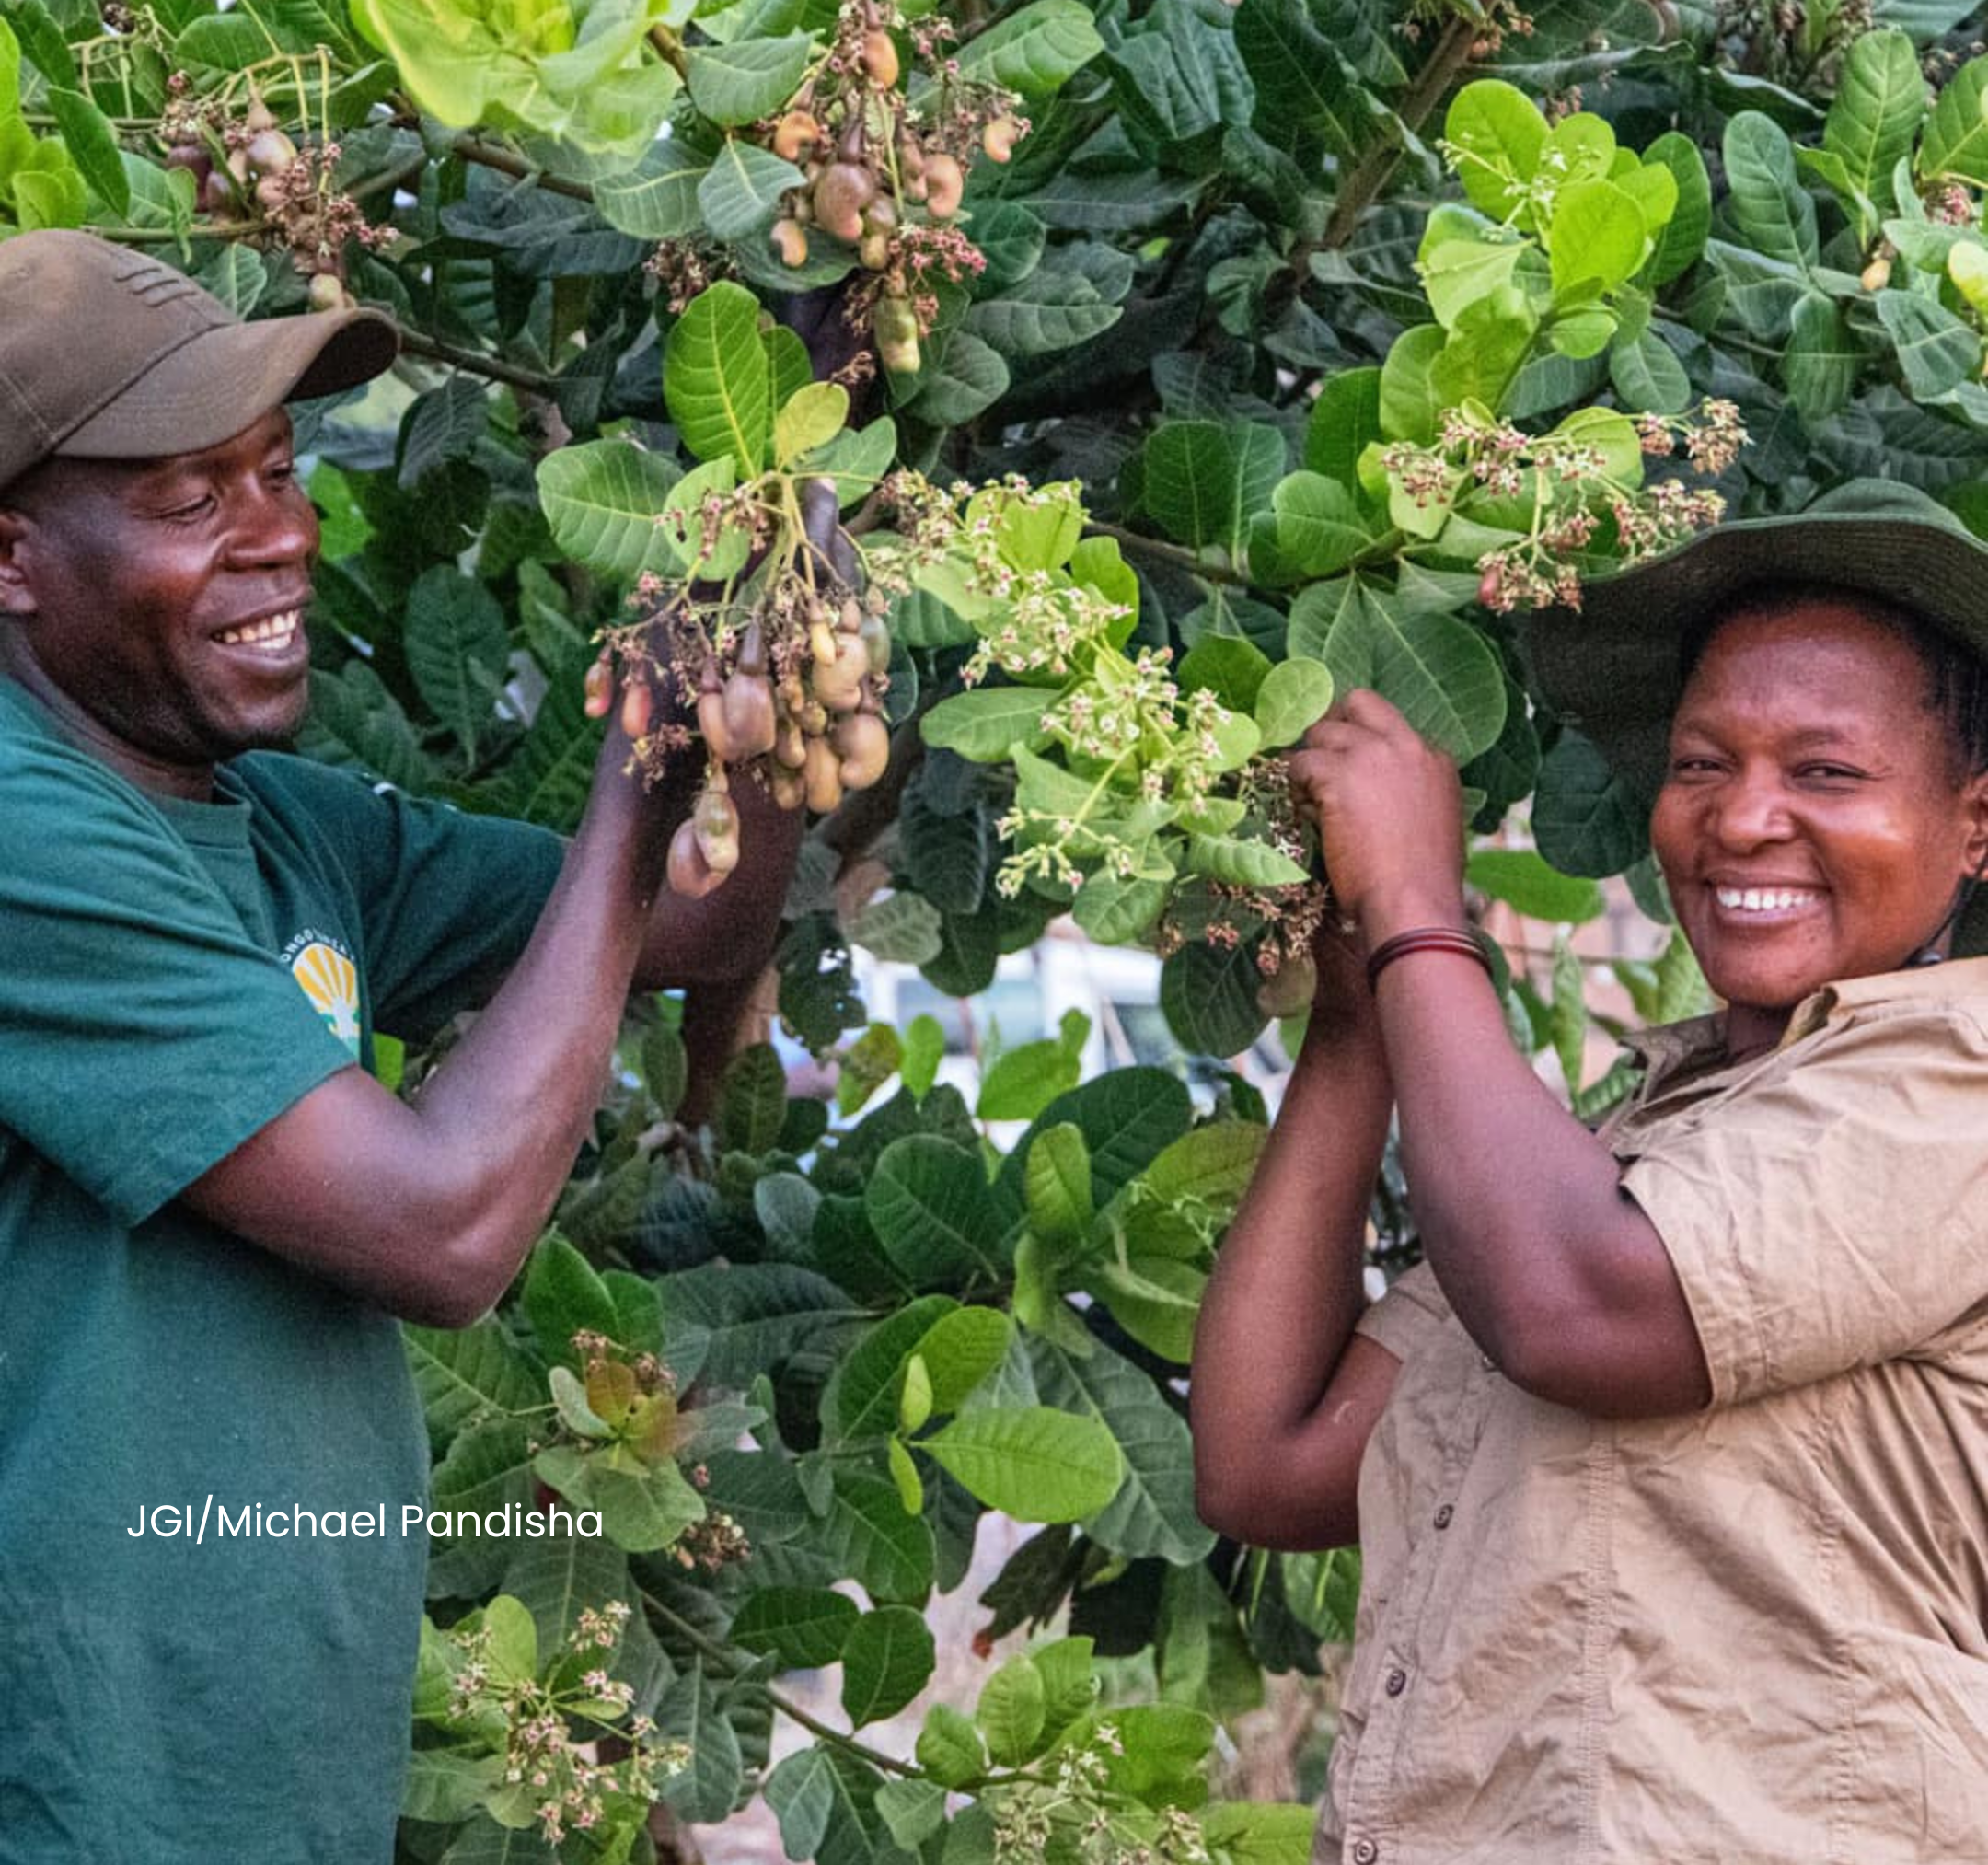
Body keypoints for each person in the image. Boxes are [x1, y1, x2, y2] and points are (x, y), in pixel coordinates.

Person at [0, 231, 799, 1862]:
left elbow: (697, 919)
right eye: (187, 498)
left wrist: (775, 587)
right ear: (11, 560)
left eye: (278, 473)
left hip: (270, 1789)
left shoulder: (289, 829)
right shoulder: (22, 837)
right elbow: (441, 1227)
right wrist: (637, 778)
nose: (280, 536)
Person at [1190, 480, 1988, 1863]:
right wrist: (1353, 1023)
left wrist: (1420, 913)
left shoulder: (1955, 1086)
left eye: (1826, 772)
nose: (1742, 820)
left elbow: (1573, 1307)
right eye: (1700, 763)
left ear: (1977, 824)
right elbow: (1269, 1462)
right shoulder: (1633, 1151)